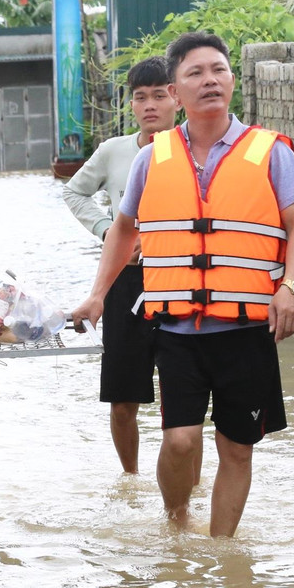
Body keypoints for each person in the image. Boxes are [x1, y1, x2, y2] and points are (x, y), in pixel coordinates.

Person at [71, 32, 294, 537]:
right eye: (195, 73)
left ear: (231, 81)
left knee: (236, 447)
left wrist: (291, 287)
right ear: (177, 92)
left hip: (246, 329)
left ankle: (222, 555)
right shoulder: (151, 157)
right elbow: (123, 229)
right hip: (178, 330)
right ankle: (177, 525)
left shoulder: (269, 152)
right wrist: (98, 294)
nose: (210, 80)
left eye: (218, 70)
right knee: (180, 440)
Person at [63, 57, 183, 476]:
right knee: (121, 396)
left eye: (159, 95)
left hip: (180, 283)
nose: (150, 105)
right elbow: (74, 192)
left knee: (183, 396)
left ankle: (184, 481)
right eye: (140, 98)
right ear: (131, 106)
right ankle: (130, 479)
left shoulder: (195, 150)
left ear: (177, 98)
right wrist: (105, 229)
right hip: (124, 280)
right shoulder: (114, 151)